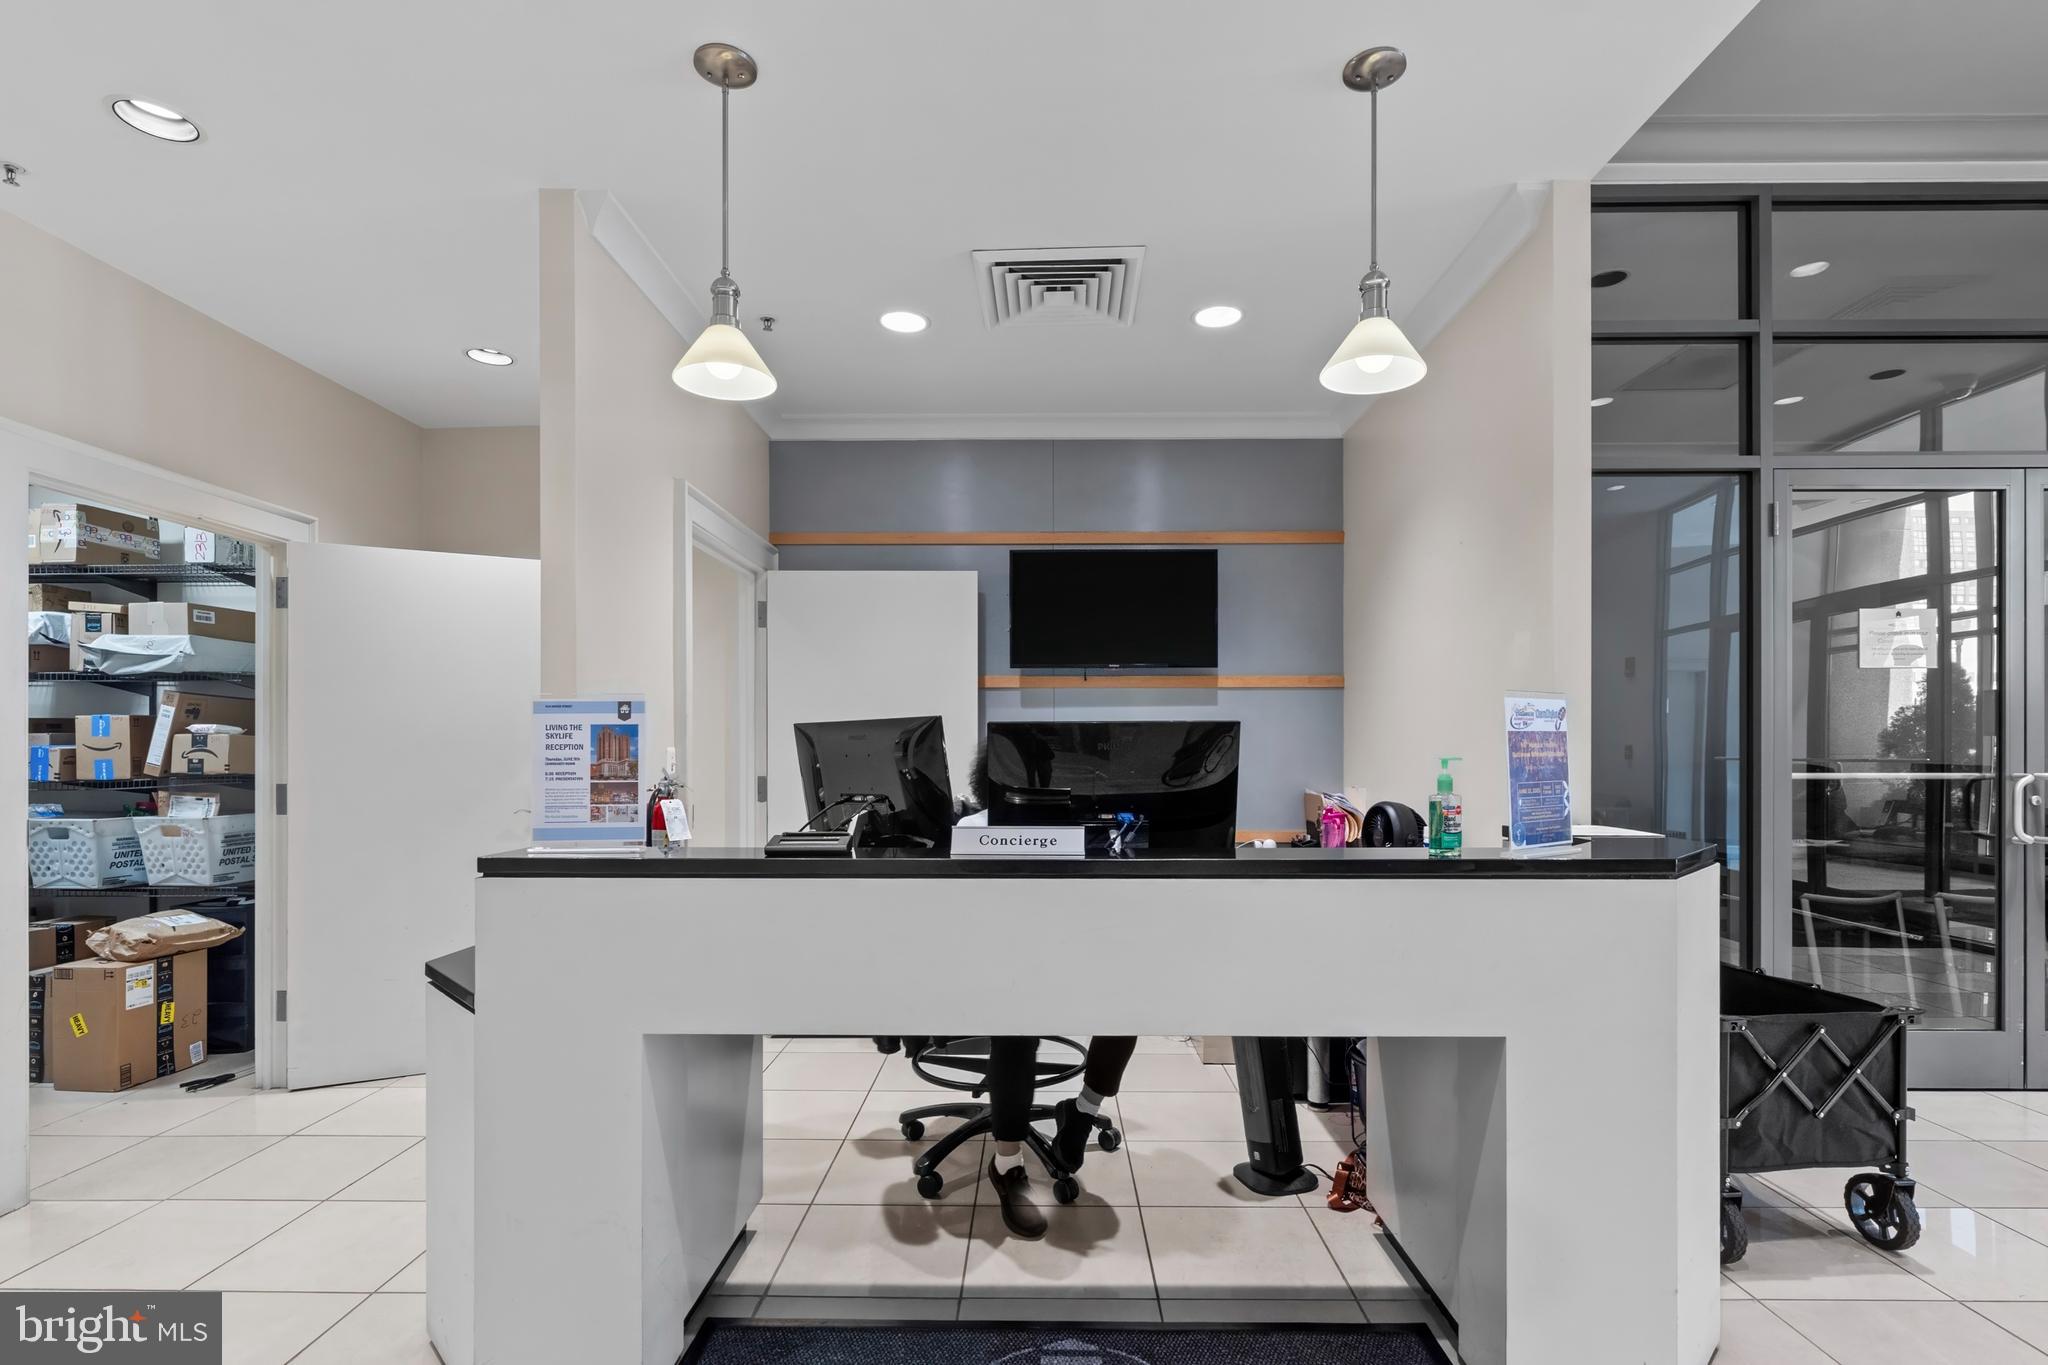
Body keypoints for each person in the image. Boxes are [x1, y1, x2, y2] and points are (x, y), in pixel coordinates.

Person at [956, 746, 1138, 1238]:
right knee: (1018, 1025)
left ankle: (1082, 1111)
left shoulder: (1086, 833)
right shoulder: (973, 830)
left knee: (1132, 1002)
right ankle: (1007, 1163)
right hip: (995, 971)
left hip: (1065, 959)